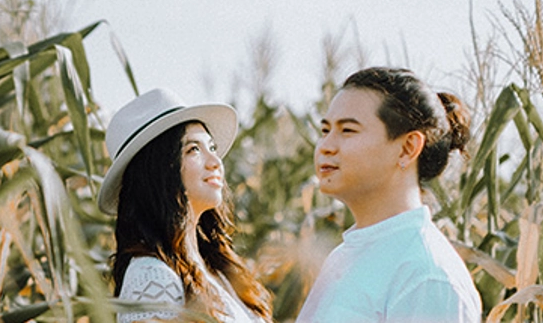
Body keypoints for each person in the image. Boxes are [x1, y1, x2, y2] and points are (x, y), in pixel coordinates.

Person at [296, 67, 481, 322]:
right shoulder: (343, 257)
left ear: (407, 148)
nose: (325, 147)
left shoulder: (426, 276)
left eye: (347, 130)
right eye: (325, 131)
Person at [101, 89, 271, 322]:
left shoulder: (216, 268)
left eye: (212, 148)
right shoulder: (152, 277)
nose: (215, 162)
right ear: (158, 172)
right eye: (193, 149)